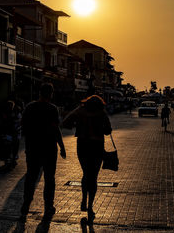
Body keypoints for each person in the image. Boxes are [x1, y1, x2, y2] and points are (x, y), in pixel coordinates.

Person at [62, 95, 112, 224]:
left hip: (83, 145)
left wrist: (78, 122)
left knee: (86, 173)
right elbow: (108, 131)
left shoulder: (80, 111)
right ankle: (90, 205)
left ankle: (84, 199)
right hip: (97, 146)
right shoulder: (101, 113)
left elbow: (65, 123)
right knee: (93, 176)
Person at [20, 83, 66, 220]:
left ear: (39, 93)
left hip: (33, 148)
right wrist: (62, 146)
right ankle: (48, 207)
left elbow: (23, 127)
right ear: (50, 94)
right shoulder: (52, 109)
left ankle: (26, 206)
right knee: (49, 179)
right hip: (49, 149)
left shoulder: (29, 107)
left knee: (31, 178)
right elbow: (56, 129)